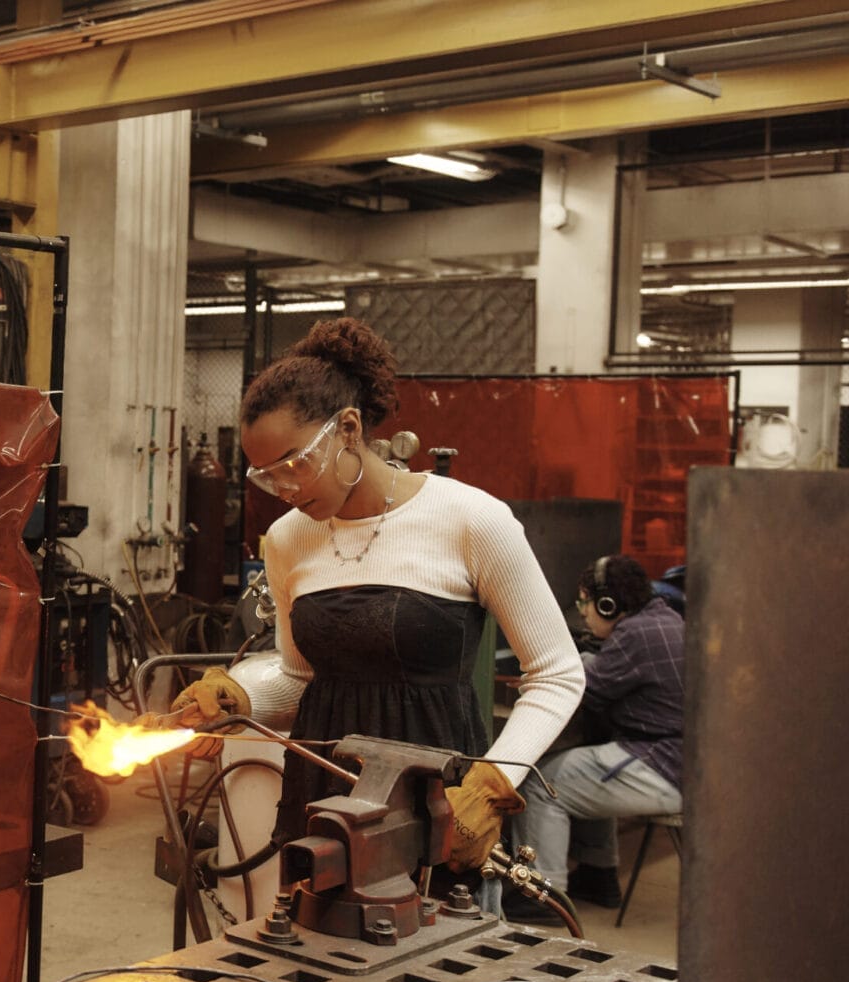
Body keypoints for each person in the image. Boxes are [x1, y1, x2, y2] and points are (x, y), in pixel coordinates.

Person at [170, 318, 585, 915]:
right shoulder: (288, 539)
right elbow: (302, 678)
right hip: (324, 796)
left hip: (439, 799)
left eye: (294, 464)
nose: (283, 489)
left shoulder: (470, 519)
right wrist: (242, 701)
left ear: (348, 429)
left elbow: (556, 673)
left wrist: (495, 783)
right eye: (266, 475)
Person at [502, 554, 685, 919]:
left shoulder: (636, 634)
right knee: (584, 764)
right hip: (681, 761)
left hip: (665, 765)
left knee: (543, 783)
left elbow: (590, 688)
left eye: (585, 602)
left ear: (608, 604)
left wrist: (556, 668)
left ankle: (542, 896)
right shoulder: (665, 619)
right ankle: (598, 874)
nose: (583, 612)